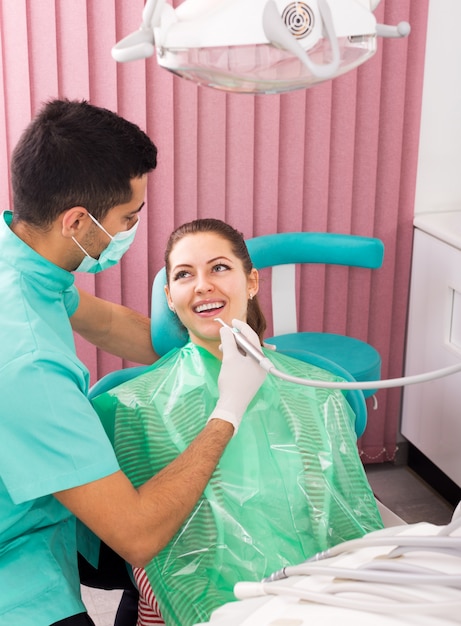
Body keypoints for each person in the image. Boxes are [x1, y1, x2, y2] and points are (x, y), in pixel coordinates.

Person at [0, 100, 267, 626]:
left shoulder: (25, 262)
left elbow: (103, 321)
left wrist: (204, 339)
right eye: (128, 218)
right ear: (76, 220)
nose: (131, 229)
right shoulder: (28, 363)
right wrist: (230, 408)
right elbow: (138, 535)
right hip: (16, 570)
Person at [92, 218, 384, 626]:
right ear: (170, 298)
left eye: (219, 268)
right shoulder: (132, 407)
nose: (202, 285)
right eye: (184, 275)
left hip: (323, 598)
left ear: (251, 282)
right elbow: (156, 552)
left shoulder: (318, 390)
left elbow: (350, 522)